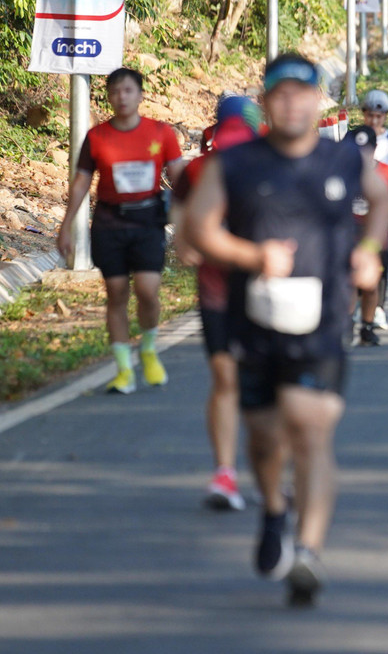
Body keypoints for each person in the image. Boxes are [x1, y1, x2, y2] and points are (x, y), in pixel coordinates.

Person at [184, 53, 388, 605]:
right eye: (281, 94)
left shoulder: (344, 158)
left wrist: (369, 250)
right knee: (265, 437)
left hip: (322, 321)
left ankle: (308, 553)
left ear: (318, 100)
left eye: (303, 93)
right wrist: (253, 256)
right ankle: (274, 508)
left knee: (310, 428)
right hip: (255, 320)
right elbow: (199, 228)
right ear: (265, 102)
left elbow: (381, 201)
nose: (293, 103)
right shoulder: (236, 163)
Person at [57, 67, 185, 395]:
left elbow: (180, 179)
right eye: (115, 91)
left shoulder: (161, 133)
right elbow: (82, 181)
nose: (121, 97)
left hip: (147, 221)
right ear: (108, 98)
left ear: (140, 95)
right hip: (109, 223)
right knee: (116, 293)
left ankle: (148, 348)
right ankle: (124, 369)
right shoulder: (97, 137)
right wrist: (66, 225)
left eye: (128, 90)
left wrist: (188, 222)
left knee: (147, 291)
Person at [172, 95, 262, 510]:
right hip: (217, 291)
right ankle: (225, 473)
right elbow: (179, 202)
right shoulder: (199, 170)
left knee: (265, 385)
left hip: (267, 292)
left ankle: (272, 469)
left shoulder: (275, 167)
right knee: (225, 379)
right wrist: (182, 238)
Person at [354, 90, 388, 348]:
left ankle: (377, 309)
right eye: (370, 115)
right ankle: (357, 308)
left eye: (379, 116)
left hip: (381, 212)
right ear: (364, 115)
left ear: (386, 116)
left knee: (378, 261)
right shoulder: (353, 139)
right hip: (353, 212)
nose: (374, 120)